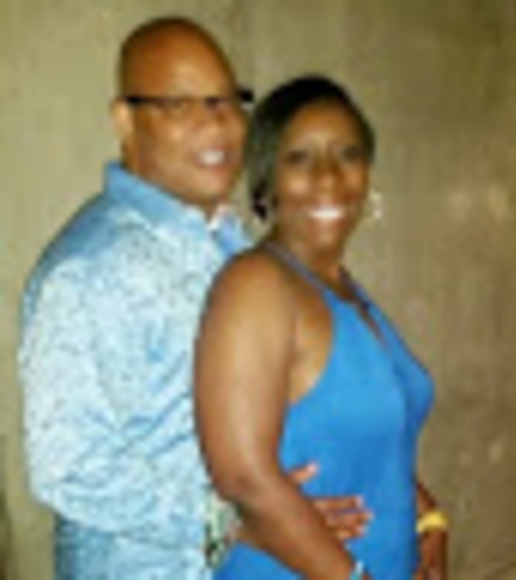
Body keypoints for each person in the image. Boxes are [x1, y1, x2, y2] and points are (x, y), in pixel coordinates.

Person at [18, 18, 370, 579]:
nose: (220, 125)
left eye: (228, 102)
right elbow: (69, 467)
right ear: (125, 120)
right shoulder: (89, 269)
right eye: (182, 105)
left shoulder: (228, 240)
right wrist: (228, 519)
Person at [195, 75, 449, 579]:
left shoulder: (344, 290)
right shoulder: (255, 284)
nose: (329, 176)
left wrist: (428, 517)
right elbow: (243, 478)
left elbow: (375, 436)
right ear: (266, 180)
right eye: (300, 158)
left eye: (348, 154)